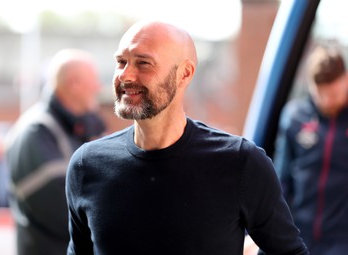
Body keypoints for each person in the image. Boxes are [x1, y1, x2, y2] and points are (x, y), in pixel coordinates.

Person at [65, 20, 308, 255]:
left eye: (143, 63)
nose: (126, 75)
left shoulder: (240, 162)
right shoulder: (87, 165)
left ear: (185, 74)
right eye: (121, 62)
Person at [5, 49, 106, 255]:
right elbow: (61, 209)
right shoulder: (36, 131)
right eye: (93, 80)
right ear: (73, 84)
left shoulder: (82, 128)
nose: (99, 87)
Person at [273, 43, 348, 254]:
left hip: (342, 241)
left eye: (333, 94)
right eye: (320, 94)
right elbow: (281, 179)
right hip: (300, 236)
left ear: (346, 80)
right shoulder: (294, 117)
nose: (327, 101)